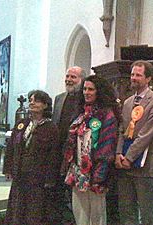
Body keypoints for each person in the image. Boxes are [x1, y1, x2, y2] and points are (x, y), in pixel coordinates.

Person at [62, 75, 119, 225]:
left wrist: (99, 175)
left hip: (96, 172)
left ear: (99, 92)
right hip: (78, 172)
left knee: (97, 217)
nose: (87, 92)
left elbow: (107, 147)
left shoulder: (107, 115)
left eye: (91, 89)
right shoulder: (81, 114)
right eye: (85, 89)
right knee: (79, 214)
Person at [115, 60, 153, 225]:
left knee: (147, 214)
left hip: (144, 165)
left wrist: (129, 157)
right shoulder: (128, 102)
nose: (134, 78)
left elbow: (147, 133)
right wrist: (118, 154)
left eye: (138, 75)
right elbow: (122, 129)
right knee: (126, 211)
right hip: (124, 164)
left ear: (148, 78)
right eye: (132, 74)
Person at [3, 90, 61, 225]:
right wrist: (8, 168)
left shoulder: (51, 128)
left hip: (38, 178)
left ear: (45, 105)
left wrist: (50, 178)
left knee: (33, 212)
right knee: (17, 209)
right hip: (19, 174)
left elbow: (54, 155)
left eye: (36, 100)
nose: (32, 103)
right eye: (31, 100)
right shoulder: (21, 124)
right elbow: (11, 147)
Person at [52, 66, 86, 223]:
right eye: (68, 76)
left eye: (73, 77)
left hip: (77, 152)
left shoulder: (85, 98)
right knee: (58, 189)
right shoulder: (59, 98)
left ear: (81, 80)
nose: (69, 80)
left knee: (73, 192)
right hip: (59, 151)